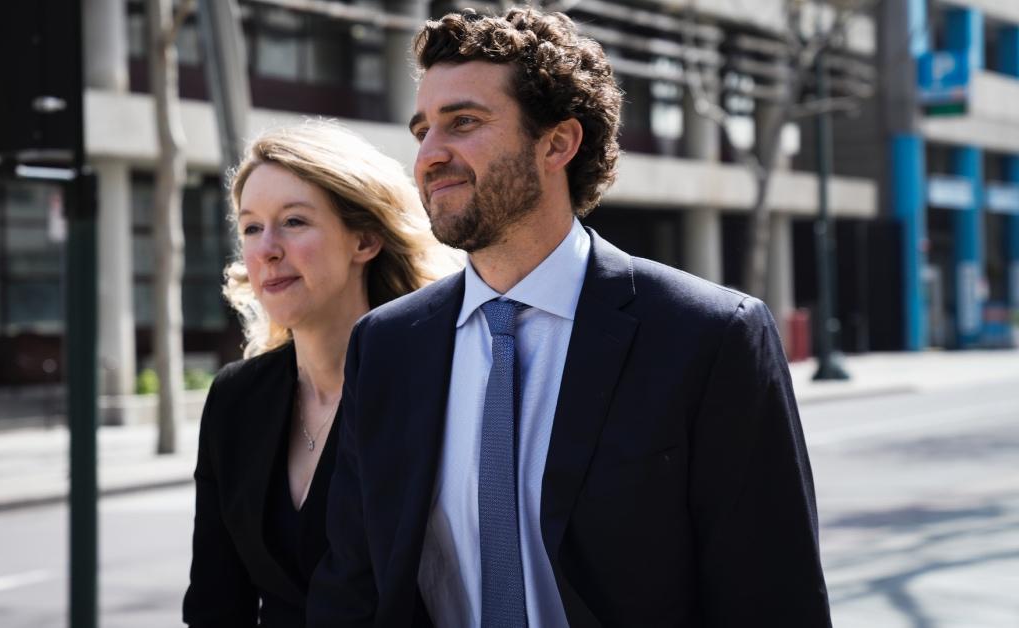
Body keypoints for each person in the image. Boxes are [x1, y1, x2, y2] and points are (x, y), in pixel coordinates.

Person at [308, 7, 831, 627]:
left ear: (557, 142)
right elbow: (352, 586)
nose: (429, 155)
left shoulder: (709, 337)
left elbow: (772, 597)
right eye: (422, 130)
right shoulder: (387, 345)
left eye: (463, 123)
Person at [183, 122, 453, 627]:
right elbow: (215, 603)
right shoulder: (236, 397)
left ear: (366, 240)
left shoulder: (434, 384)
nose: (266, 249)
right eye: (251, 227)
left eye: (294, 222)